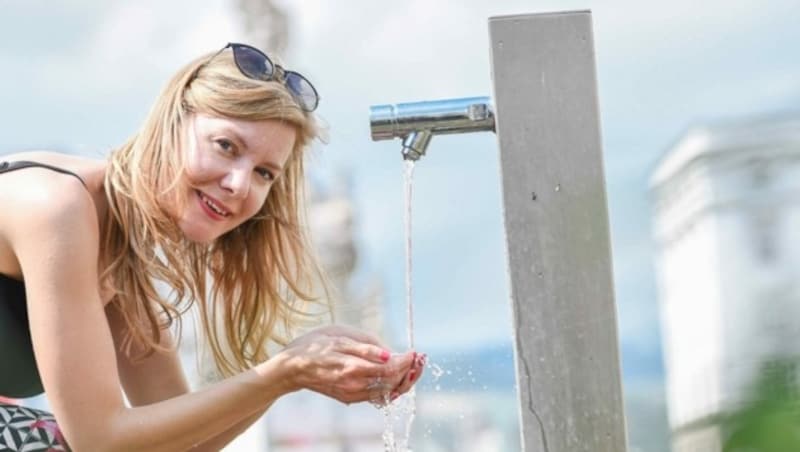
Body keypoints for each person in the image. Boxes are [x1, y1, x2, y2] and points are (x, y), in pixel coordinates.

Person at [0, 43, 425, 451]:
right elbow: (100, 440)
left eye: (264, 173)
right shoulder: (56, 208)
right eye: (226, 146)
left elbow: (179, 446)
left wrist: (297, 368)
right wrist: (280, 374)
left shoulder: (120, 256)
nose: (239, 184)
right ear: (171, 123)